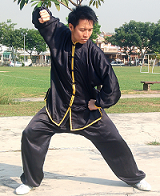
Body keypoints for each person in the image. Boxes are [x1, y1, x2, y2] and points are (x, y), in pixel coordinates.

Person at [15, 5, 151, 195]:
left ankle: (135, 178)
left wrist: (99, 103)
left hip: (88, 113)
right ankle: (30, 180)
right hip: (56, 108)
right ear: (71, 27)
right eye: (82, 30)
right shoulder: (58, 35)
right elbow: (44, 19)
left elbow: (112, 85)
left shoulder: (94, 52)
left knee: (114, 140)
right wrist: (41, 11)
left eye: (90, 30)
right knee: (31, 133)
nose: (87, 34)